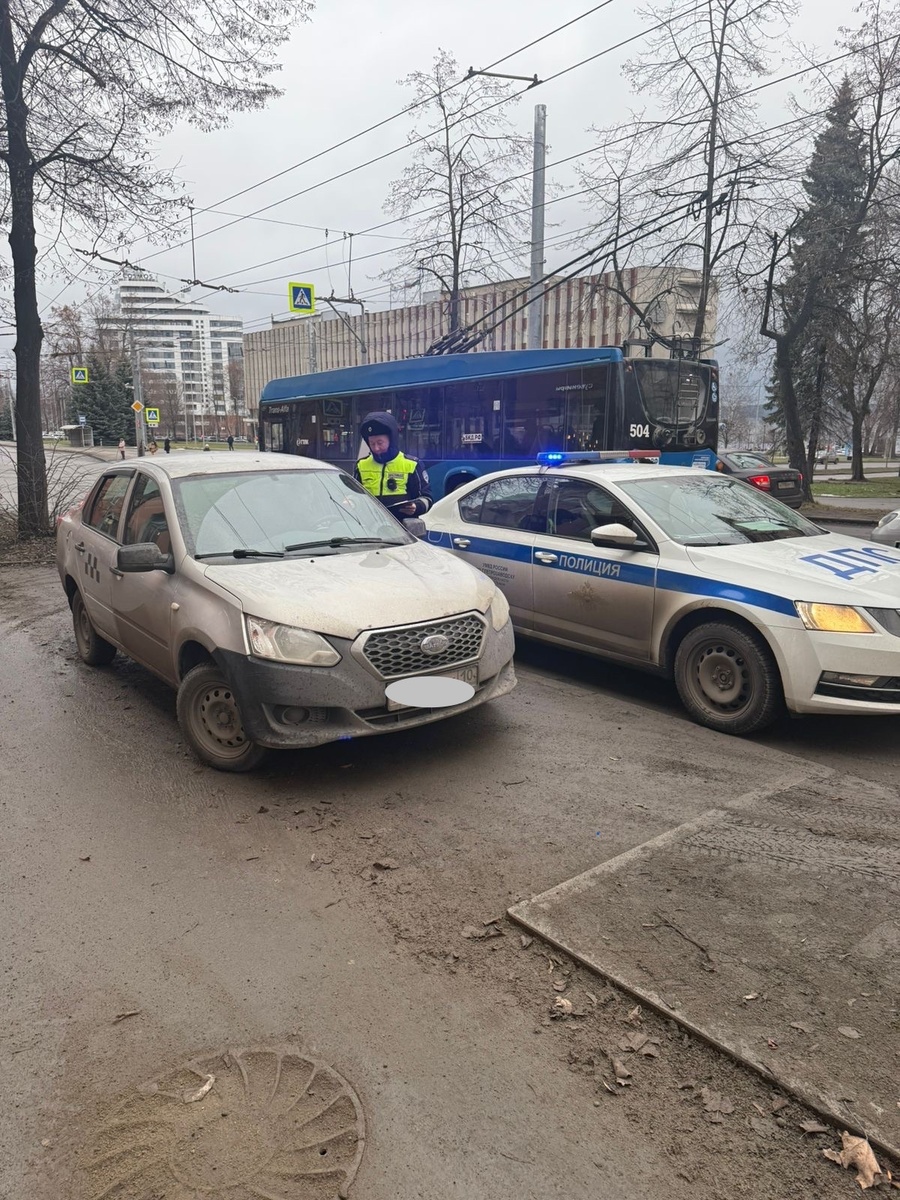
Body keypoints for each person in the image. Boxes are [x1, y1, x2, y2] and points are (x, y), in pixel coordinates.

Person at [354, 411, 432, 517]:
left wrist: (416, 507)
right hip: (370, 528)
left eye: (380, 443)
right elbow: (355, 495)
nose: (376, 448)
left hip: (401, 529)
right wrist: (351, 500)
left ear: (392, 440)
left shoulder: (412, 465)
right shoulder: (361, 465)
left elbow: (427, 498)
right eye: (372, 443)